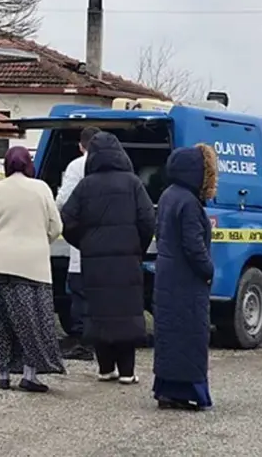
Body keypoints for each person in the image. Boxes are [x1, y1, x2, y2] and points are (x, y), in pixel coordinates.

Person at [61, 132, 155, 384]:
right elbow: (148, 221)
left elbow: (66, 221)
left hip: (94, 262)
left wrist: (84, 244)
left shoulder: (85, 186)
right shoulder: (133, 183)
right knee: (126, 312)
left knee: (100, 313)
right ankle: (127, 372)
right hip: (127, 261)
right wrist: (138, 247)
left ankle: (105, 369)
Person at [0, 146, 65, 392]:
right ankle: (30, 375)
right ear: (29, 164)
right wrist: (39, 239)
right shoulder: (40, 188)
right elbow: (56, 226)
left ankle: (3, 374)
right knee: (31, 322)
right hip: (30, 266)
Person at [152, 144, 218, 411]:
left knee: (169, 334)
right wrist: (208, 269)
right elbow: (193, 246)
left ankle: (166, 389)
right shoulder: (190, 203)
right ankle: (189, 390)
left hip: (167, 275)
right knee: (190, 334)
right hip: (186, 280)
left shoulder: (169, 195)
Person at [55, 126, 100, 361]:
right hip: (109, 244)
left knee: (79, 291)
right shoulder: (120, 166)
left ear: (81, 145)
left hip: (82, 241)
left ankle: (83, 342)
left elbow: (65, 199)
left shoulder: (77, 165)